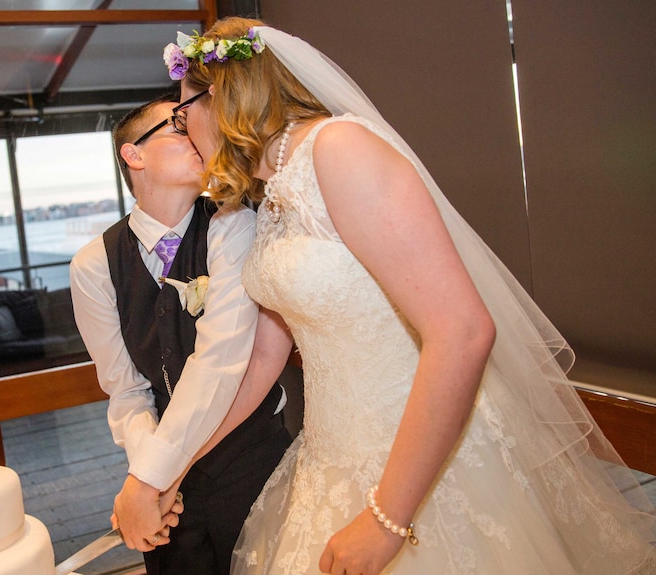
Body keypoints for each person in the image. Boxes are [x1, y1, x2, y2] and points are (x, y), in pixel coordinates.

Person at [160, 17, 656, 575]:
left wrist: (386, 519)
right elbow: (261, 361)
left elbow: (464, 332)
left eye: (183, 112)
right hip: (331, 458)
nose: (182, 130)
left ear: (223, 95)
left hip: (419, 464)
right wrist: (176, 466)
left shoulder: (339, 149)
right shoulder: (269, 194)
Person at [69, 93, 291, 575]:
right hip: (164, 482)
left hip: (253, 460)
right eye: (176, 126)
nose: (195, 136)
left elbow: (221, 362)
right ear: (134, 154)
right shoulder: (93, 265)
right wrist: (148, 474)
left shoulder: (234, 225)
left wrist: (150, 479)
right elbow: (126, 389)